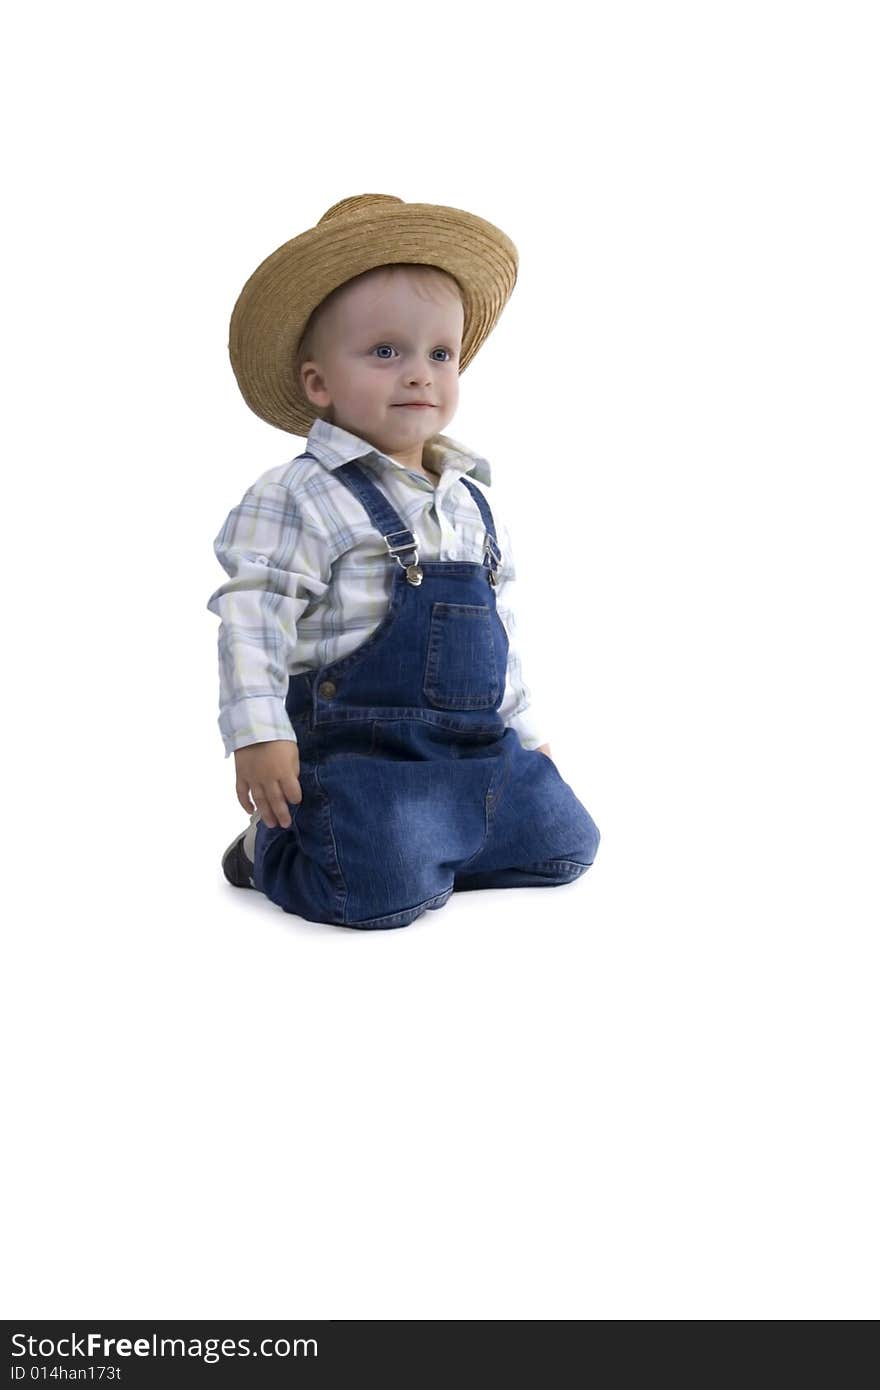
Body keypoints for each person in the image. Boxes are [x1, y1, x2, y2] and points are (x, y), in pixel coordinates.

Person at [207, 193, 600, 930]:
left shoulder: (472, 501)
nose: (419, 374)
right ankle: (275, 850)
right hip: (357, 757)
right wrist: (258, 733)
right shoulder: (299, 495)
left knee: (566, 846)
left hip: (471, 752)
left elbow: (498, 635)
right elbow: (252, 614)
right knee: (381, 896)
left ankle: (429, 842)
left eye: (439, 354)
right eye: (386, 352)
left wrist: (523, 730)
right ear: (319, 383)